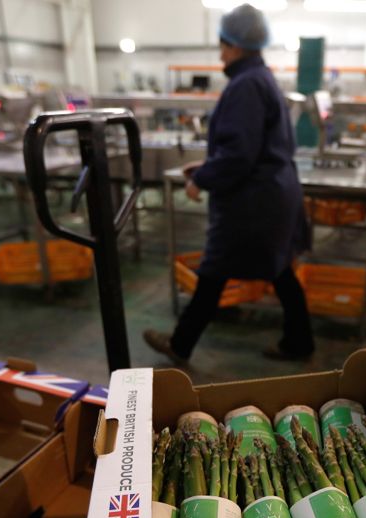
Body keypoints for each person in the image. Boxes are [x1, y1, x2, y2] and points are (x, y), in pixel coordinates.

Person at [143, 4, 314, 364]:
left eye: (222, 45)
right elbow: (253, 146)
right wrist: (207, 164)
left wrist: (201, 180)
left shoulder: (245, 85)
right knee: (279, 269)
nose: (220, 52)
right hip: (272, 193)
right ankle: (299, 342)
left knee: (215, 268)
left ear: (235, 46)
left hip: (253, 202)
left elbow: (238, 155)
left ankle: (181, 343)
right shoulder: (261, 78)